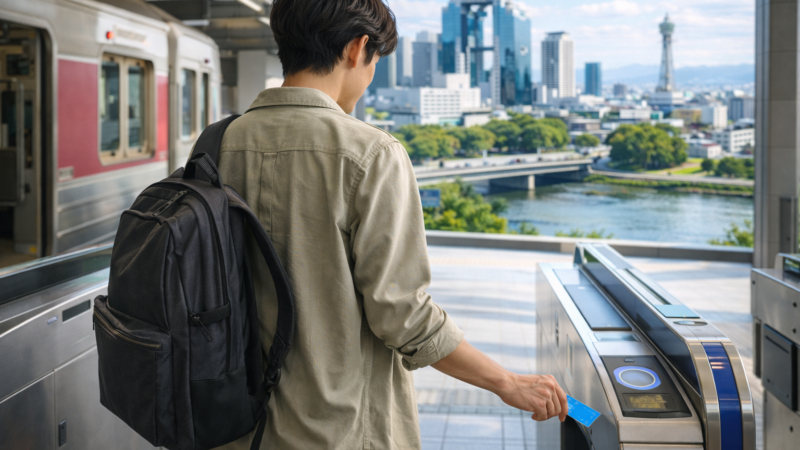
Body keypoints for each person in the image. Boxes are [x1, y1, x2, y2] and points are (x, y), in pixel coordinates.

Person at [215, 1, 568, 448]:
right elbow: (402, 315)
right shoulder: (370, 154)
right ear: (357, 48)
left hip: (232, 427)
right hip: (338, 429)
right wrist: (507, 382)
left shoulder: (216, 144)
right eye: (375, 61)